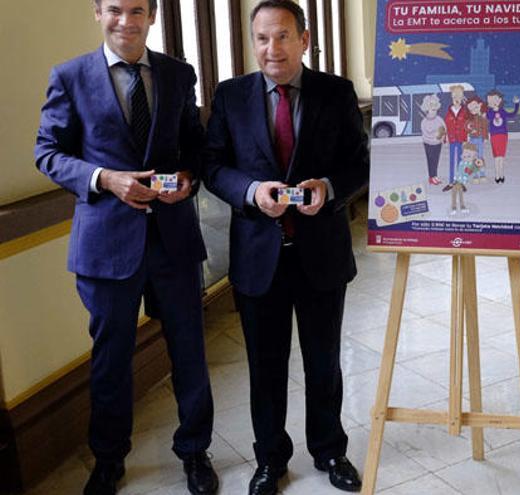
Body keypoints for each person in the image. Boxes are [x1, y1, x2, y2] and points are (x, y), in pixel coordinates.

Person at [33, 1, 217, 494]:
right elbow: (47, 152)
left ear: (152, 15)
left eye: (137, 9)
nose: (126, 21)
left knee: (190, 353)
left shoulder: (179, 74)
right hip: (105, 246)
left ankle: (196, 452)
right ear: (98, 13)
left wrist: (187, 175)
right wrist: (104, 178)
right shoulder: (70, 76)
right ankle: (109, 460)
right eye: (115, 9)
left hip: (173, 240)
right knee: (110, 359)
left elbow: (196, 145)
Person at [202, 1, 368, 493]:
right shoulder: (230, 96)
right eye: (261, 38)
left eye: (281, 37)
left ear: (304, 39)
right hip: (258, 257)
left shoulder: (335, 93)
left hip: (321, 253)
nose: (271, 48)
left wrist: (329, 188)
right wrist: (252, 192)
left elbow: (358, 163)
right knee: (265, 366)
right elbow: (213, 166)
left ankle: (330, 451)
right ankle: (270, 459)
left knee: (324, 361)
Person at [486, 90, 520, 183]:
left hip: (503, 135)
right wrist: (490, 108)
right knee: (496, 156)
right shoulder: (490, 112)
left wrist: (516, 104)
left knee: (501, 156)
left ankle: (501, 174)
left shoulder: (502, 111)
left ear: (500, 100)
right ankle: (497, 175)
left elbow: (513, 114)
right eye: (490, 100)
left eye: (495, 100)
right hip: (494, 135)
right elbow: (488, 116)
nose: (493, 102)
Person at [418, 93, 446, 185]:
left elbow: (444, 128)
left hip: (438, 143)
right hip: (428, 143)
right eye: (430, 105)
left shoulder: (439, 119)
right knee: (430, 160)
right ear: (426, 108)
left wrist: (442, 136)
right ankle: (431, 177)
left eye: (434, 105)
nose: (433, 108)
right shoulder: (424, 121)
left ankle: (435, 176)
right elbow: (426, 132)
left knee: (436, 159)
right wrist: (436, 134)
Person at [444, 84, 468, 183]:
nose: (456, 99)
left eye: (459, 97)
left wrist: (466, 139)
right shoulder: (449, 111)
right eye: (454, 97)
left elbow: (467, 126)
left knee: (460, 161)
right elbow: (445, 125)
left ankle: (459, 180)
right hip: (452, 139)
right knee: (451, 161)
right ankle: (451, 181)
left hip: (461, 139)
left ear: (462, 98)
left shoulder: (464, 111)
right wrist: (445, 138)